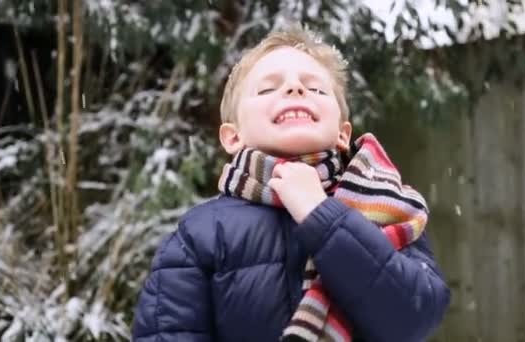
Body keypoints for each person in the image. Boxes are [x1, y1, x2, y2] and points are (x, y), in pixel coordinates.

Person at [132, 25, 450, 342]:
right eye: (268, 89)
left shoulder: (388, 207)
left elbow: (412, 318)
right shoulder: (198, 235)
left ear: (343, 134)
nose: (295, 88)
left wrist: (322, 215)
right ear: (232, 136)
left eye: (316, 89)